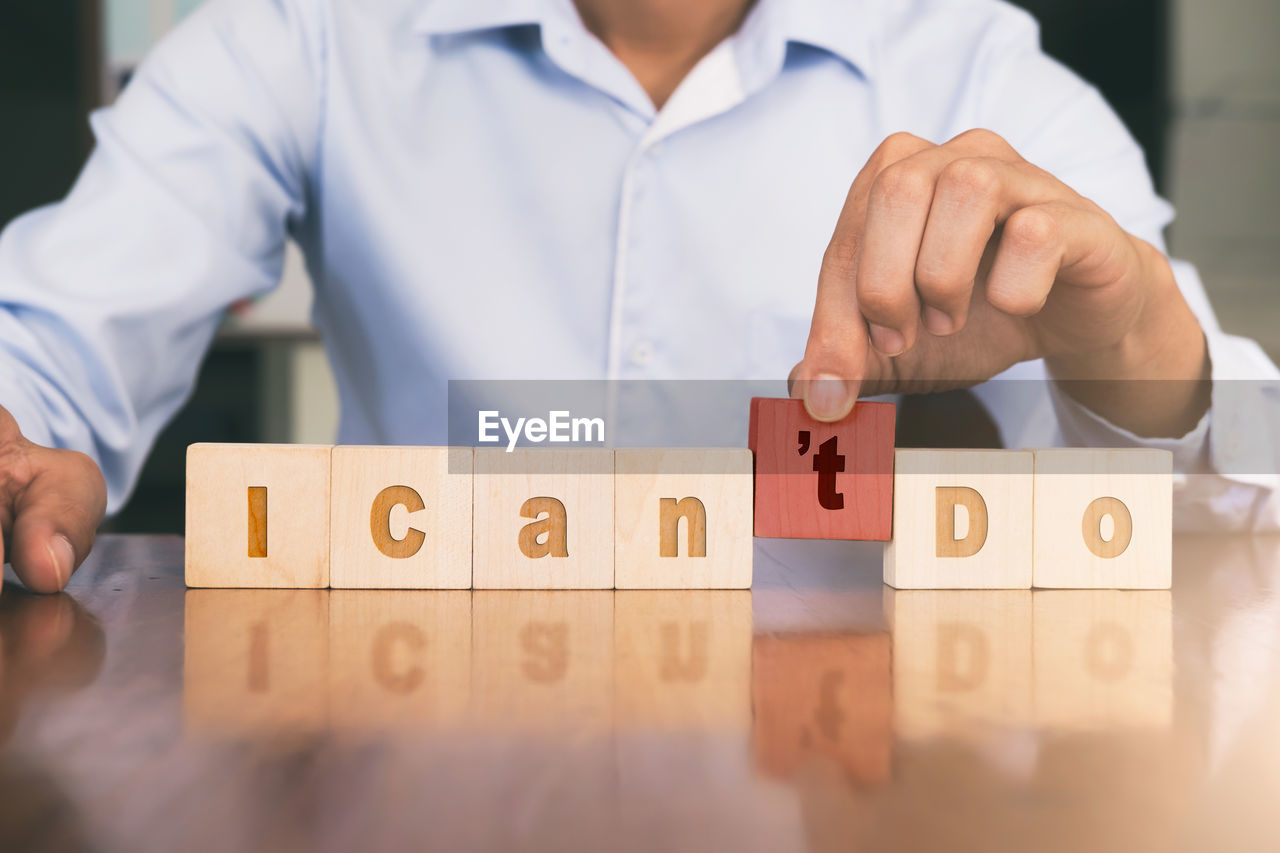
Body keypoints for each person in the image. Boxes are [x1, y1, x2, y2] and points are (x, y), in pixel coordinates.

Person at [1, 0, 1277, 593]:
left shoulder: (978, 63)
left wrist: (1135, 347)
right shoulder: (309, 32)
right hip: (415, 761)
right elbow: (49, 344)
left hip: (848, 792)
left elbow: (1242, 494)